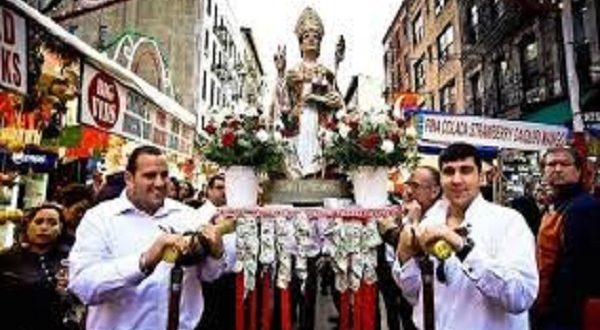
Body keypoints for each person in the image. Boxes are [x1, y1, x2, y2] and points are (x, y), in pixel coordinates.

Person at [68, 145, 230, 330]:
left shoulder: (188, 216)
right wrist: (144, 261)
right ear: (129, 179)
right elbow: (84, 288)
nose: (160, 183)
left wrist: (216, 254)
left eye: (164, 175)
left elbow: (208, 275)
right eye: (150, 176)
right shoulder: (100, 219)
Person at [392, 142, 538, 329]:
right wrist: (405, 256)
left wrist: (463, 248)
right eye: (449, 171)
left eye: (466, 170)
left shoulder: (508, 223)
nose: (457, 180)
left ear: (481, 177)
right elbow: (414, 294)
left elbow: (521, 297)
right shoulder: (428, 222)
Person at [272, 6, 344, 178]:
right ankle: (297, 175)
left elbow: (338, 103)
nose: (311, 39)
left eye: (315, 37)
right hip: (298, 120)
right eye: (306, 36)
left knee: (319, 151)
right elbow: (282, 103)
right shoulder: (292, 72)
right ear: (300, 43)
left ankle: (317, 174)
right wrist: (280, 73)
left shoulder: (327, 72)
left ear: (320, 43)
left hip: (320, 122)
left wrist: (335, 102)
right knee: (297, 152)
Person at [535, 147, 600, 330]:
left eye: (564, 164)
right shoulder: (558, 206)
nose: (557, 169)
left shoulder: (584, 208)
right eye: (551, 164)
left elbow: (577, 270)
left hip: (568, 315)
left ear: (578, 171)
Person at [380, 166, 442, 330]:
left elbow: (413, 242)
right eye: (408, 185)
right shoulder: (414, 210)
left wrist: (391, 231)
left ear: (434, 191)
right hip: (401, 283)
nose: (407, 191)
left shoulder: (440, 218)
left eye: (415, 186)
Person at [0, 204, 72, 330]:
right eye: (38, 222)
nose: (44, 227)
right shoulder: (7, 258)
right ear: (27, 226)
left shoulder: (70, 259)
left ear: (61, 228)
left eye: (52, 223)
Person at [196, 173, 236, 330]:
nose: (223, 192)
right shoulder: (198, 215)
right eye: (219, 188)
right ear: (208, 190)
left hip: (231, 279)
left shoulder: (234, 214)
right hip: (208, 281)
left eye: (227, 188)